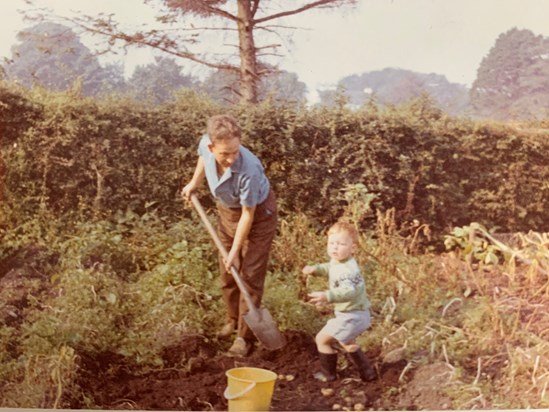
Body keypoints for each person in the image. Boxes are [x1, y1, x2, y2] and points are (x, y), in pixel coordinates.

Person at [181, 114, 277, 357]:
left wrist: (235, 251)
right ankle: (233, 319)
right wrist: (194, 183)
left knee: (249, 275)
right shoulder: (206, 145)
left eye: (235, 151)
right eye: (225, 154)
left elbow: (248, 214)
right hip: (227, 211)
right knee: (227, 271)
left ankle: (244, 338)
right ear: (212, 146)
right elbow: (203, 159)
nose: (232, 158)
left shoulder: (250, 169)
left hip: (258, 217)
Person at [302, 221, 376, 382]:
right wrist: (316, 269)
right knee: (346, 342)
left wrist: (327, 296)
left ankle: (328, 374)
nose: (335, 247)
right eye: (332, 243)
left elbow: (348, 291)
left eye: (341, 244)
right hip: (357, 314)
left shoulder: (347, 271)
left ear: (353, 248)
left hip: (351, 316)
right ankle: (367, 372)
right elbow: (330, 267)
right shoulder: (342, 262)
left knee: (321, 339)